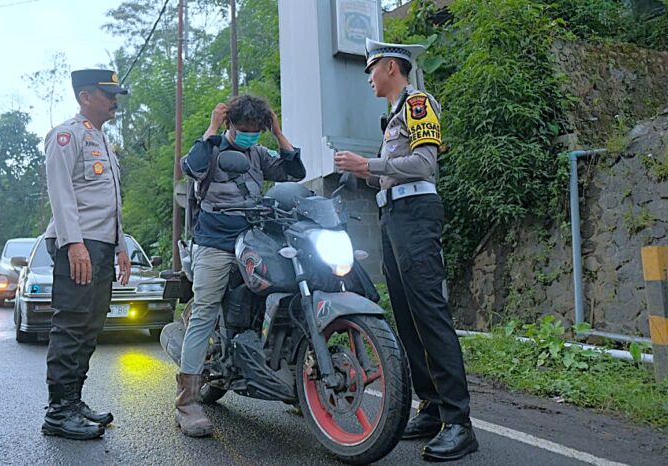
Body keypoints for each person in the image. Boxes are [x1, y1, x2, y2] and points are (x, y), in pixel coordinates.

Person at [334, 39, 478, 462]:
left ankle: (459, 423)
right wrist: (361, 174)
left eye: (371, 67)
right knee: (408, 317)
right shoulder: (392, 118)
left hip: (416, 213)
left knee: (429, 313)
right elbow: (390, 175)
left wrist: (369, 165)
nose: (368, 76)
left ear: (392, 67)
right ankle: (432, 408)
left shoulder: (418, 104)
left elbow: (424, 165)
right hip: (394, 216)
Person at [176, 94, 305, 437]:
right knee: (204, 310)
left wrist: (278, 133)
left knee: (287, 300)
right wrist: (212, 128)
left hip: (256, 240)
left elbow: (294, 172)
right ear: (231, 123)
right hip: (214, 242)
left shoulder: (259, 153)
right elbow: (190, 167)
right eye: (243, 129)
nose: (249, 134)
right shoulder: (213, 148)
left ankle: (298, 385)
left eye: (255, 130)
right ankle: (187, 403)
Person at [41, 69, 131, 440]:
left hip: (102, 244)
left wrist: (121, 245)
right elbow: (60, 192)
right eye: (108, 95)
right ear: (85, 97)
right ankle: (58, 412)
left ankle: (73, 401)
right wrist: (72, 242)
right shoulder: (67, 135)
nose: (114, 102)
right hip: (77, 243)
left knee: (90, 327)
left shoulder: (105, 143)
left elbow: (110, 203)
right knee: (71, 325)